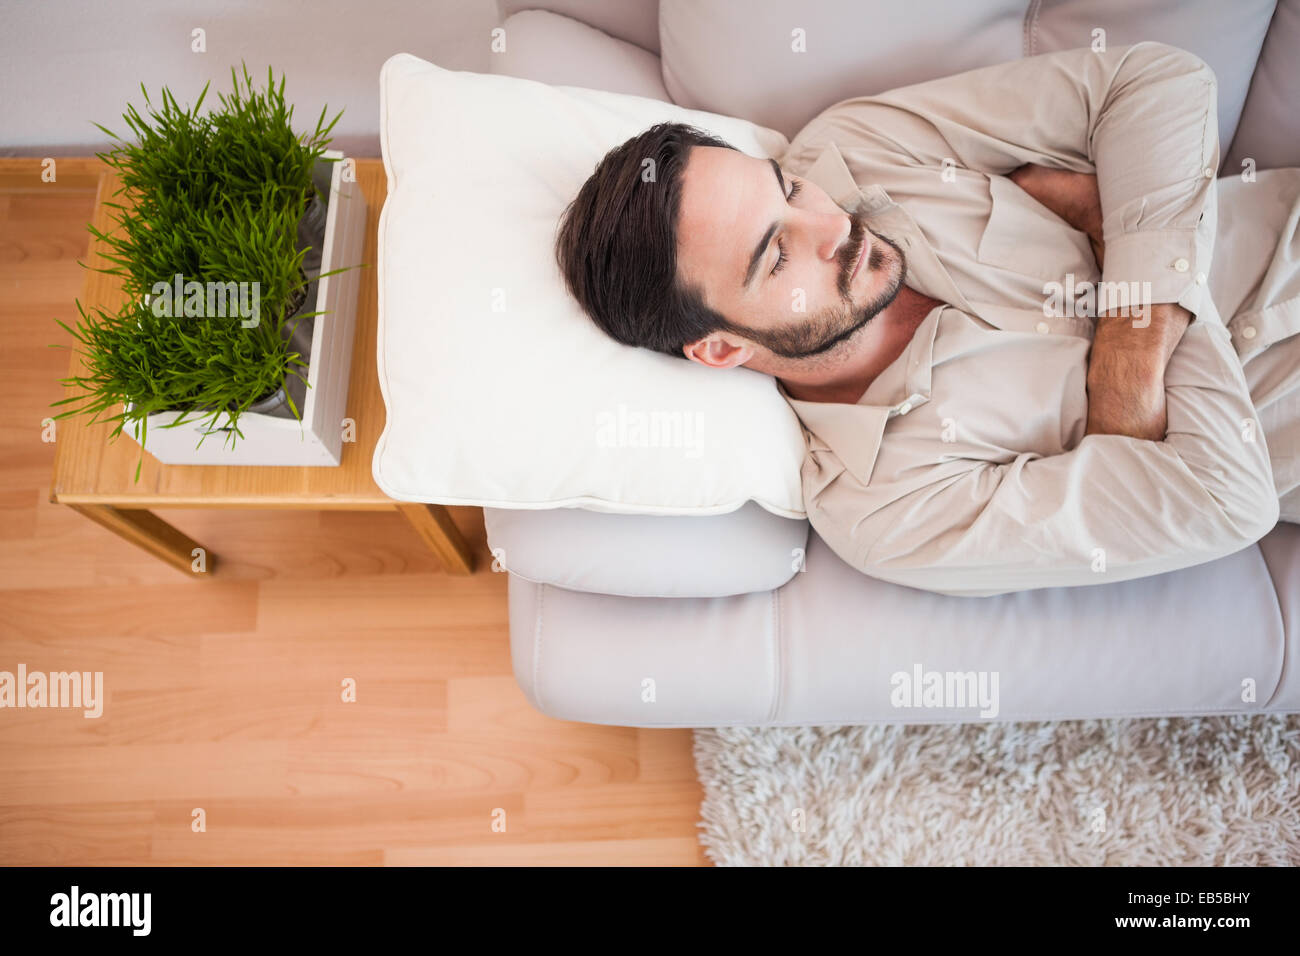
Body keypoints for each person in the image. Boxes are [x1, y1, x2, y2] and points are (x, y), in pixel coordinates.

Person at [555, 41, 1300, 597]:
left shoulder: (857, 149)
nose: (829, 225)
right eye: (777, 255)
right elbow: (1226, 500)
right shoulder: (887, 505)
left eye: (789, 188)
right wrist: (1126, 244)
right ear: (719, 348)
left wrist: (1133, 348)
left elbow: (1156, 80)